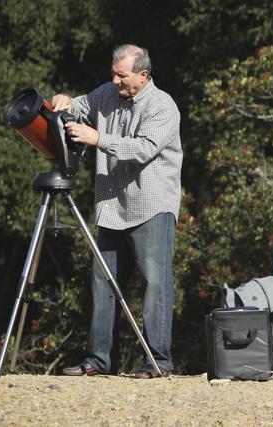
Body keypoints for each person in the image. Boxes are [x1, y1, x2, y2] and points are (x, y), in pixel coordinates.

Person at [52, 44, 182, 379]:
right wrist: (65, 99)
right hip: (112, 207)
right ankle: (98, 360)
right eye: (113, 73)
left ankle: (159, 362)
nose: (115, 80)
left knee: (156, 284)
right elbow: (81, 105)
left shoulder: (162, 105)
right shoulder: (107, 93)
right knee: (102, 283)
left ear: (143, 74)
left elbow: (144, 148)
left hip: (152, 206)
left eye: (121, 75)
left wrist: (97, 138)